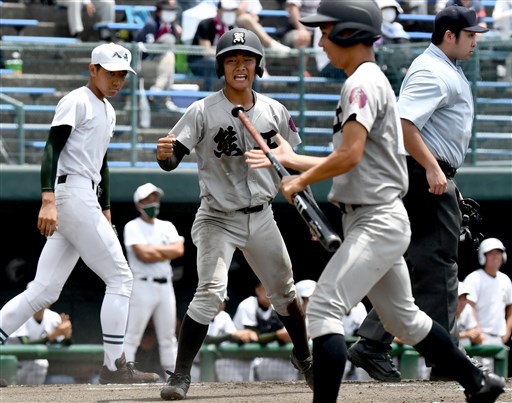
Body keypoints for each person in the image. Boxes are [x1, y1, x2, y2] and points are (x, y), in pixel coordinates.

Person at [244, 1, 505, 401]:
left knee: (322, 311)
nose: (322, 40)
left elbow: (348, 157)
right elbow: (355, 156)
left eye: (327, 31)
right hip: (374, 215)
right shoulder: (364, 79)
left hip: (377, 219)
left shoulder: (361, 84)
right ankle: (477, 383)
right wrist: (292, 160)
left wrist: (301, 181)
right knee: (407, 319)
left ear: (348, 33)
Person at [155, 27, 313, 400]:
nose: (239, 65)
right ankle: (180, 375)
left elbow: (289, 162)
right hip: (217, 216)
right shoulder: (202, 110)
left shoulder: (275, 110)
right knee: (210, 291)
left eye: (246, 59)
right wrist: (166, 156)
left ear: (259, 65)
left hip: (261, 215)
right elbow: (173, 155)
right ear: (221, 66)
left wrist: (302, 198)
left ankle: (304, 358)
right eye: (231, 59)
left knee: (286, 293)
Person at [0, 42, 160, 385]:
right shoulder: (76, 99)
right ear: (93, 69)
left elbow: (101, 162)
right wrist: (48, 199)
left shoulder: (109, 110)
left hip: (85, 195)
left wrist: (105, 208)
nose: (117, 80)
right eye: (111, 73)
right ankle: (114, 367)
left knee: (43, 291)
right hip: (70, 192)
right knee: (121, 278)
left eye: (122, 75)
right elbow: (51, 148)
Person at [345, 5, 490, 382]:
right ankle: (446, 359)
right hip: (421, 170)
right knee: (440, 263)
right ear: (449, 35)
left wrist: (439, 172)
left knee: (414, 261)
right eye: (470, 34)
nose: (475, 40)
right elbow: (405, 123)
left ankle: (373, 343)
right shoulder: (431, 69)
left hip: (429, 171)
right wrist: (432, 167)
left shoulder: (446, 67)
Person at [123, 182, 186, 380]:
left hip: (165, 286)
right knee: (132, 335)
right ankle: (124, 373)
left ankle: (174, 378)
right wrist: (164, 252)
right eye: (147, 200)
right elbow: (143, 255)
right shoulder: (132, 226)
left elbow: (179, 250)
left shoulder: (167, 226)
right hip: (142, 284)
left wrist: (155, 250)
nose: (152, 203)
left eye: (154, 199)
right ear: (138, 204)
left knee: (168, 337)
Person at [232, 282, 299, 382]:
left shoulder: (276, 307)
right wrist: (278, 335)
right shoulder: (247, 305)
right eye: (265, 288)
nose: (269, 292)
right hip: (235, 359)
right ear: (257, 290)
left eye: (272, 289)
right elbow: (253, 338)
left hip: (261, 359)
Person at [463, 237, 512, 372]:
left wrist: (507, 332)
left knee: (500, 380)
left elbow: (510, 308)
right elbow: (468, 307)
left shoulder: (505, 280)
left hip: (499, 340)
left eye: (498, 253)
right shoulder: (474, 278)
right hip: (478, 341)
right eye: (491, 254)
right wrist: (477, 331)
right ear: (483, 256)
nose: (496, 257)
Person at [190, 293, 258, 382]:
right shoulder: (195, 314)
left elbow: (234, 335)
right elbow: (205, 339)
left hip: (215, 364)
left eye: (222, 301)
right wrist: (229, 336)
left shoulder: (224, 316)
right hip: (194, 366)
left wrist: (246, 335)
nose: (220, 304)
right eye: (217, 300)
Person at [135, 0, 185, 112]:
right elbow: (147, 49)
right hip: (144, 63)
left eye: (172, 11)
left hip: (161, 64)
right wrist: (159, 44)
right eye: (167, 11)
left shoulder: (172, 27)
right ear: (158, 12)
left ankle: (158, 91)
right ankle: (164, 98)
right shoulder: (151, 25)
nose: (170, 14)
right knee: (169, 58)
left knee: (169, 60)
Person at [6, 302, 73, 385]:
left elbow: (66, 343)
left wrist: (67, 335)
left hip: (36, 364)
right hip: (15, 363)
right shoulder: (21, 314)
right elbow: (25, 344)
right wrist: (54, 335)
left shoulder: (53, 317)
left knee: (41, 363)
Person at [188, 0, 238, 92]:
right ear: (218, 11)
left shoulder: (232, 28)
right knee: (212, 63)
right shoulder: (206, 24)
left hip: (222, 63)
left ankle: (252, 102)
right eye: (227, 11)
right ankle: (209, 99)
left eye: (232, 11)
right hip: (197, 62)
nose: (230, 14)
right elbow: (207, 51)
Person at [277, 0, 320, 76]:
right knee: (303, 37)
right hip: (295, 29)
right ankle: (302, 74)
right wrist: (301, 29)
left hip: (319, 32)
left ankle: (334, 72)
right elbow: (293, 7)